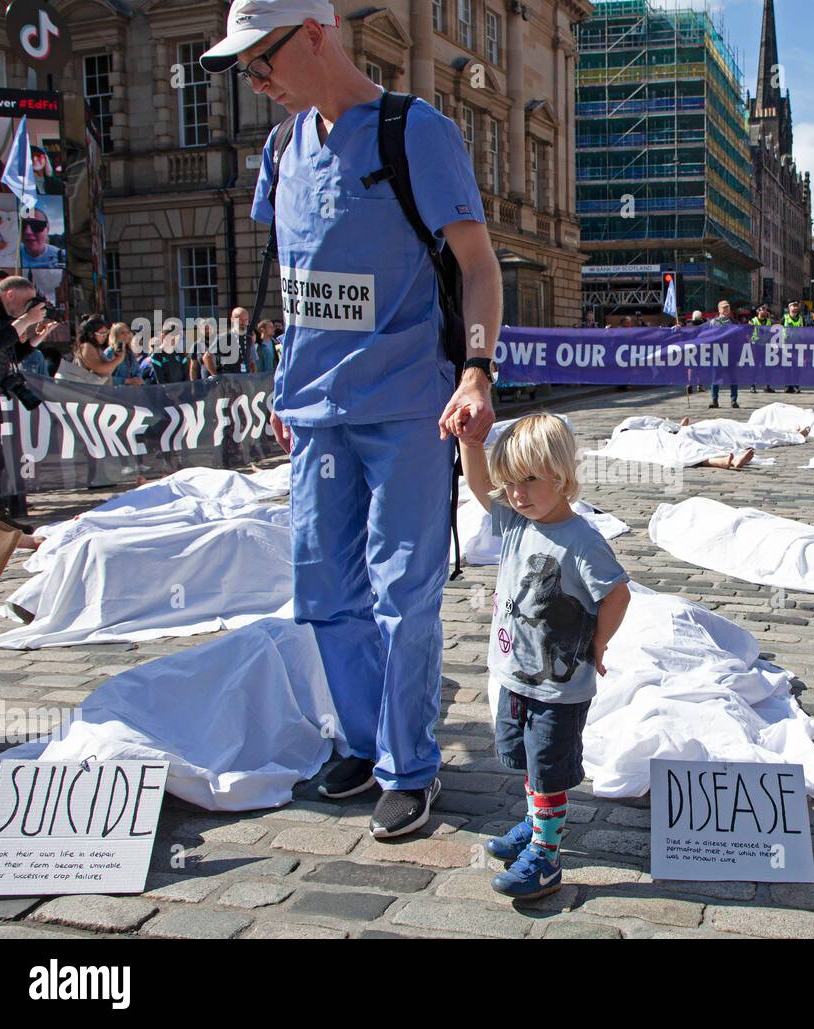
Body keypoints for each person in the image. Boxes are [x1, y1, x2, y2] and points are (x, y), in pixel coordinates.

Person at [203, 0, 501, 838]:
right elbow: (299, 278)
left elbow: (478, 264)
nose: (254, 81)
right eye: (244, 70)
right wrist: (282, 379)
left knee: (403, 590)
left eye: (261, 60)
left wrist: (476, 370)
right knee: (324, 588)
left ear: (314, 32)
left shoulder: (416, 132)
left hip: (409, 404)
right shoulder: (280, 149)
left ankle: (410, 766)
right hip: (317, 411)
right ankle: (366, 742)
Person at [460, 414, 630, 898]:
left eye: (530, 480)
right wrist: (472, 443)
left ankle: (547, 857)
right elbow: (476, 484)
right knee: (530, 763)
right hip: (515, 677)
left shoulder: (582, 539)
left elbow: (616, 593)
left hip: (559, 688)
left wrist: (597, 643)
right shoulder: (515, 520)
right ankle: (536, 825)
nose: (517, 494)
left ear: (561, 475)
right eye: (510, 483)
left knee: (550, 769)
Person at [0, 276, 55, 526]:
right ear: (9, 293)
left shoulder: (5, 318)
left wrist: (35, 338)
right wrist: (26, 321)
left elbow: (12, 355)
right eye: (25, 301)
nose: (27, 308)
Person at [56, 316, 124, 384]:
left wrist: (115, 358)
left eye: (106, 333)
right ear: (91, 334)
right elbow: (100, 369)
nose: (104, 336)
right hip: (86, 390)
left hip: (94, 390)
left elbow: (107, 370)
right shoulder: (87, 346)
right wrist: (118, 359)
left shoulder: (96, 347)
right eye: (101, 333)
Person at [205, 306, 253, 376]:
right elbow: (206, 357)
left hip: (244, 380)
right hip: (228, 381)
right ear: (232, 320)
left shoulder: (249, 339)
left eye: (246, 320)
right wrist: (215, 375)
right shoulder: (223, 338)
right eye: (240, 320)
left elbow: (250, 360)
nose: (244, 323)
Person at [708, 299, 738, 409]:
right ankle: (714, 400)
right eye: (724, 307)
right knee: (715, 378)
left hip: (731, 353)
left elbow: (738, 338)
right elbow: (702, 332)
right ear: (719, 309)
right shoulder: (713, 322)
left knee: (733, 378)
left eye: (728, 307)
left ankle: (734, 400)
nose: (726, 309)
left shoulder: (734, 322)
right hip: (717, 353)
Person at [18, 203, 65, 269]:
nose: (28, 232)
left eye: (37, 225)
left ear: (47, 229)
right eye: (22, 226)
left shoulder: (62, 256)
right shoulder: (11, 254)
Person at [749, 303, 775, 393]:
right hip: (756, 346)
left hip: (766, 347)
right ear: (758, 311)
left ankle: (767, 386)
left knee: (767, 367)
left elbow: (774, 331)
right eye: (762, 309)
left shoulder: (769, 321)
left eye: (765, 309)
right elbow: (747, 332)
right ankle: (752, 385)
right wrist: (750, 341)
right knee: (755, 367)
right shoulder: (753, 321)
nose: (764, 310)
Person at [782, 301, 804, 393]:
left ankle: (795, 385)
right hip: (786, 346)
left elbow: (804, 331)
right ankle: (788, 386)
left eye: (796, 306)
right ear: (789, 307)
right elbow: (778, 329)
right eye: (792, 306)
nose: (795, 307)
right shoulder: (784, 318)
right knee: (787, 367)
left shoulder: (801, 319)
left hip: (797, 346)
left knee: (797, 367)